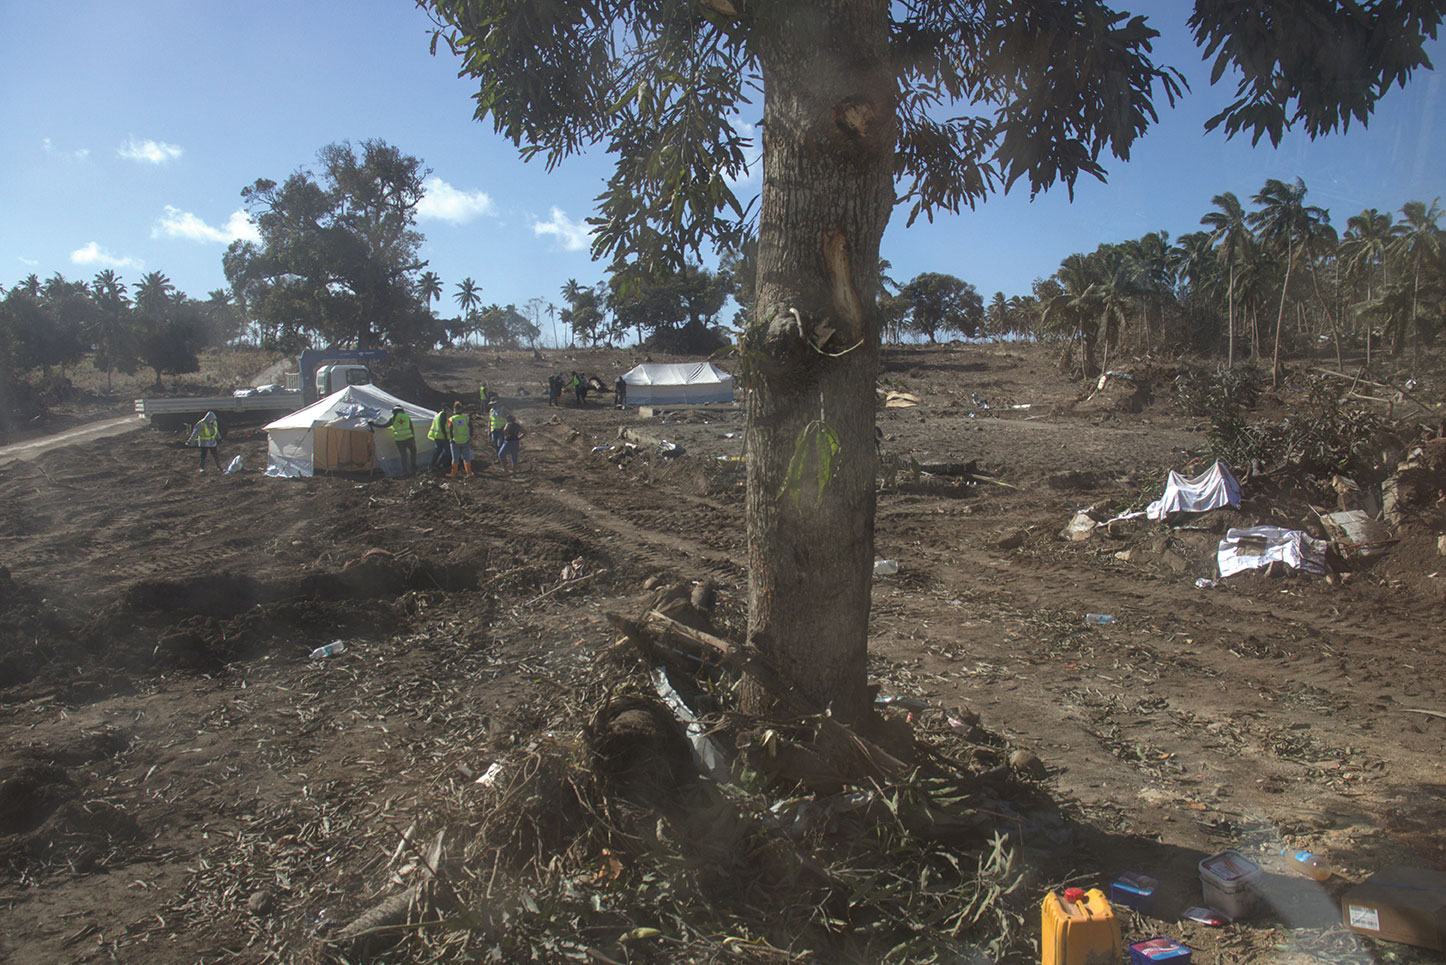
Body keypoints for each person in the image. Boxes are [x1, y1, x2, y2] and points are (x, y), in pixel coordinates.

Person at [369, 405, 416, 477]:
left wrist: (373, 424)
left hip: (399, 440)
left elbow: (384, 426)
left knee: (403, 456)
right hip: (409, 438)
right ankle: (413, 469)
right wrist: (413, 438)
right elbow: (411, 427)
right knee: (413, 453)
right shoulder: (406, 416)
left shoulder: (393, 418)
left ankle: (405, 472)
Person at [446, 402, 475, 477]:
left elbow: (450, 430)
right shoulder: (466, 418)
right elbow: (471, 428)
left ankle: (453, 473)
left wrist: (451, 438)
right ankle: (469, 473)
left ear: (454, 410)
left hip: (455, 441)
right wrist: (470, 437)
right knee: (466, 457)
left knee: (455, 458)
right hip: (465, 441)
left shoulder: (452, 419)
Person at [427, 406, 452, 473]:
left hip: (437, 436)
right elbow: (442, 425)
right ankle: (439, 465)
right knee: (446, 452)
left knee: (437, 452)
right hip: (442, 437)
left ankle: (432, 465)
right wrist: (445, 435)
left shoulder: (437, 415)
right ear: (446, 410)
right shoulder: (443, 415)